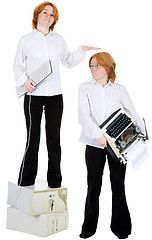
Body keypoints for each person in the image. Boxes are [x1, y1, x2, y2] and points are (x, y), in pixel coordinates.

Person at [13, 1, 100, 188]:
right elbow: (17, 66)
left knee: (54, 140)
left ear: (54, 20)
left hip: (55, 97)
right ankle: (25, 182)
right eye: (45, 12)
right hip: (33, 96)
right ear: (37, 15)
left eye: (52, 15)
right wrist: (23, 81)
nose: (48, 16)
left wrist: (81, 51)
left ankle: (54, 183)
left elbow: (68, 61)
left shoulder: (58, 39)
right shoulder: (26, 40)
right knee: (32, 139)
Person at [78, 52, 145, 239]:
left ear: (107, 68)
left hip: (119, 144)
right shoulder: (84, 88)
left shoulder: (119, 89)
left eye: (96, 66)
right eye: (91, 66)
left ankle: (121, 228)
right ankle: (88, 229)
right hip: (94, 144)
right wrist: (98, 135)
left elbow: (131, 110)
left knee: (118, 185)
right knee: (93, 187)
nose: (92, 69)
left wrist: (142, 133)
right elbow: (83, 115)